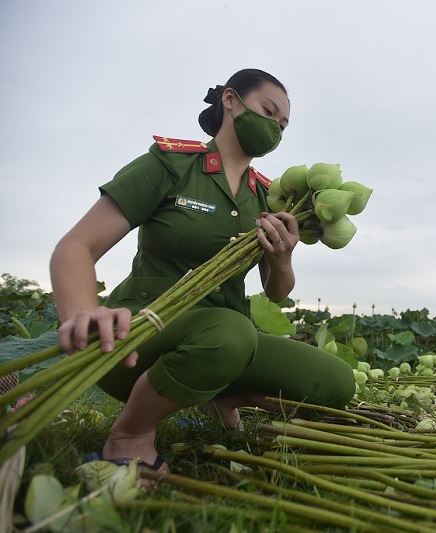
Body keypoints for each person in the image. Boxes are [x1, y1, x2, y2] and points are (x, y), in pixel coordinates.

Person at [50, 69, 356, 476]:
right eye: (268, 112)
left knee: (335, 381)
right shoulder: (171, 164)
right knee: (229, 334)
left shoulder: (266, 195)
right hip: (140, 338)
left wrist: (283, 258)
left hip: (226, 346)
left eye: (283, 126)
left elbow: (278, 293)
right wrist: (80, 314)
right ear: (230, 100)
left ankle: (219, 397)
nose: (275, 129)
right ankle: (131, 434)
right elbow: (76, 247)